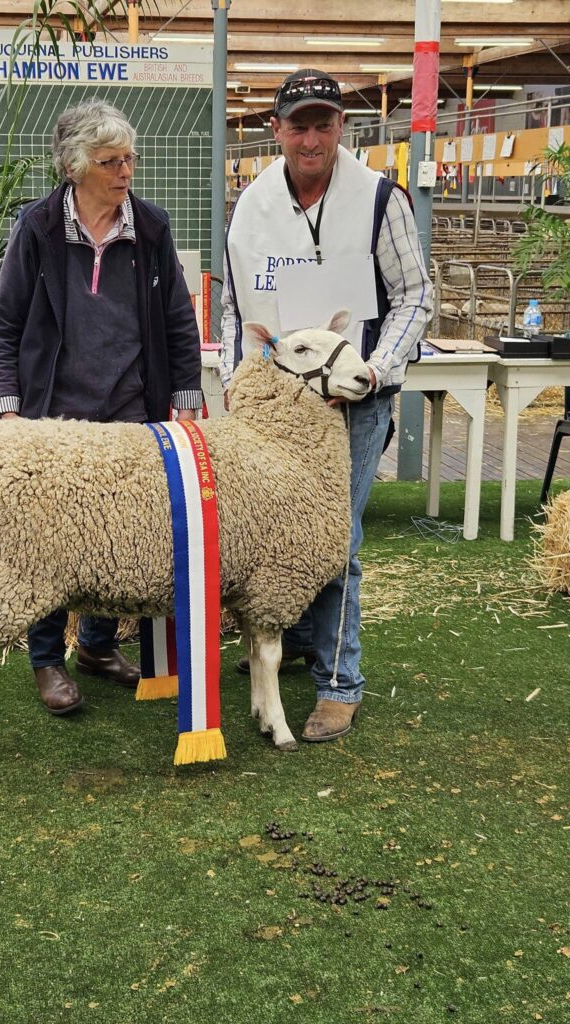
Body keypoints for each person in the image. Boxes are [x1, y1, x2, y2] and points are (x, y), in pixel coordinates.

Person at [221, 69, 433, 742]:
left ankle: (339, 684)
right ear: (276, 130)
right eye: (297, 124)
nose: (310, 138)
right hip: (277, 409)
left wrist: (379, 366)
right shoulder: (250, 206)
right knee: (273, 537)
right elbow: (235, 309)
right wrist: (235, 381)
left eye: (323, 123)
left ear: (343, 126)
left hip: (353, 403)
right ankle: (289, 643)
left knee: (335, 542)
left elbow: (415, 296)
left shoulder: (379, 199)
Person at [0, 99, 202, 716]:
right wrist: (7, 410)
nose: (125, 171)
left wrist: (185, 404)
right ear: (75, 166)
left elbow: (179, 326)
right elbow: (3, 329)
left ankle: (99, 647)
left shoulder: (152, 229)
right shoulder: (38, 229)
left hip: (132, 412)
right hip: (53, 417)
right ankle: (47, 660)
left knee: (121, 536)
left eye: (129, 158)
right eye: (110, 161)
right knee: (52, 540)